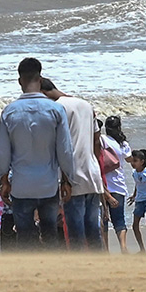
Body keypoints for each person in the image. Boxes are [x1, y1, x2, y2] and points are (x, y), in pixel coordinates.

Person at [0, 57, 78, 250]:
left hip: (21, 186)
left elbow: (3, 152)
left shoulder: (9, 112)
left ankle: (28, 273)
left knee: (24, 235)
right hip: (48, 184)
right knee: (49, 232)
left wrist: (4, 180)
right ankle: (49, 272)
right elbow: (65, 150)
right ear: (40, 79)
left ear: (19, 81)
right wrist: (67, 180)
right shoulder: (56, 109)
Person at [41, 78, 104, 251]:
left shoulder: (57, 108)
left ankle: (80, 271)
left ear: (43, 93)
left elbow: (58, 146)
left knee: (76, 233)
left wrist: (63, 178)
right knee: (93, 231)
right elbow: (96, 141)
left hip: (72, 176)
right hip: (93, 174)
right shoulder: (86, 104)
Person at [100, 115, 133, 253]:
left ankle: (106, 250)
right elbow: (130, 159)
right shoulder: (123, 144)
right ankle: (123, 248)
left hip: (104, 187)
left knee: (104, 221)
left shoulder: (102, 139)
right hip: (118, 186)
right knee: (119, 220)